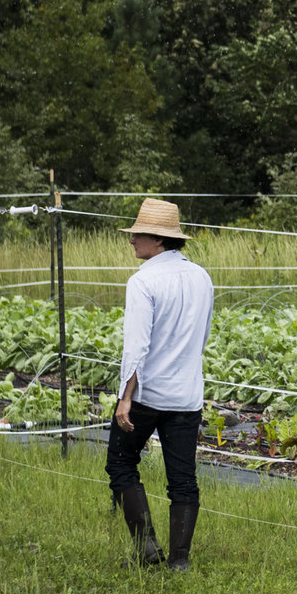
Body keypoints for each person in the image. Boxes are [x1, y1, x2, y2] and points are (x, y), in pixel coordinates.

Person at [105, 197, 214, 570]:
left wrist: (125, 399)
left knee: (120, 463)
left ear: (157, 239)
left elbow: (136, 347)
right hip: (186, 395)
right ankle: (180, 562)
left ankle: (147, 549)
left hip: (148, 394)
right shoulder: (202, 277)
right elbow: (202, 337)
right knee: (183, 478)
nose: (132, 241)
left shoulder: (143, 281)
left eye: (138, 235)